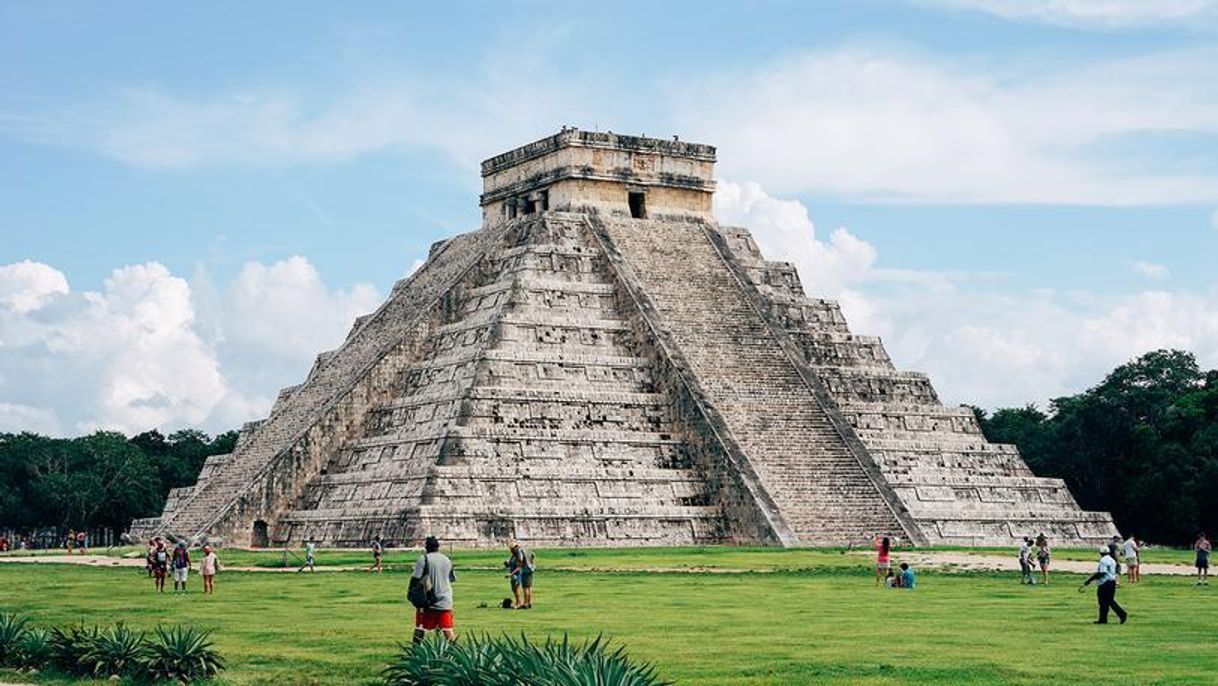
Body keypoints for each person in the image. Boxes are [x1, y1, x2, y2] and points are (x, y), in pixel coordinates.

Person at [411, 536, 456, 643]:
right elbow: (452, 578)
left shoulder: (423, 559)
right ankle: (455, 650)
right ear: (438, 547)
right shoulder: (447, 560)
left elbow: (416, 579)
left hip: (428, 600)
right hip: (445, 599)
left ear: (426, 547)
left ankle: (415, 650)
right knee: (447, 628)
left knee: (420, 627)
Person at [1079, 545, 1127, 624]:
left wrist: (1090, 579)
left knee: (1104, 601)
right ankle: (1103, 619)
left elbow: (1102, 573)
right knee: (1107, 601)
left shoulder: (1103, 560)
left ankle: (1121, 614)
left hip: (1105, 583)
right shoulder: (1112, 560)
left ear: (1100, 553)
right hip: (1112, 582)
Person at [506, 540, 535, 609]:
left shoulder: (518, 552)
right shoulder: (523, 549)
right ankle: (528, 603)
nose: (511, 551)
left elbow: (519, 566)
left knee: (525, 588)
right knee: (528, 587)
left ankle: (525, 604)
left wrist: (511, 574)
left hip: (526, 569)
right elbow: (533, 555)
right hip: (531, 568)